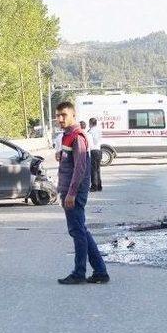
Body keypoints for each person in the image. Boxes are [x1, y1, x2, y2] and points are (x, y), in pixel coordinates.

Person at [55, 102, 109, 285]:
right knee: (81, 230)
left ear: (73, 115)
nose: (60, 119)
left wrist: (71, 194)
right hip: (68, 191)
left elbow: (80, 168)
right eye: (58, 115)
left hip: (74, 192)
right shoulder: (67, 136)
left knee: (77, 231)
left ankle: (79, 273)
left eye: (64, 115)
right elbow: (69, 163)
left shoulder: (77, 136)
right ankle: (100, 271)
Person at [87, 118, 103, 192]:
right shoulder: (99, 130)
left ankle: (94, 186)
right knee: (98, 169)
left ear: (90, 123)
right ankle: (99, 186)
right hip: (99, 150)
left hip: (93, 151)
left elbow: (91, 142)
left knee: (93, 170)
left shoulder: (91, 131)